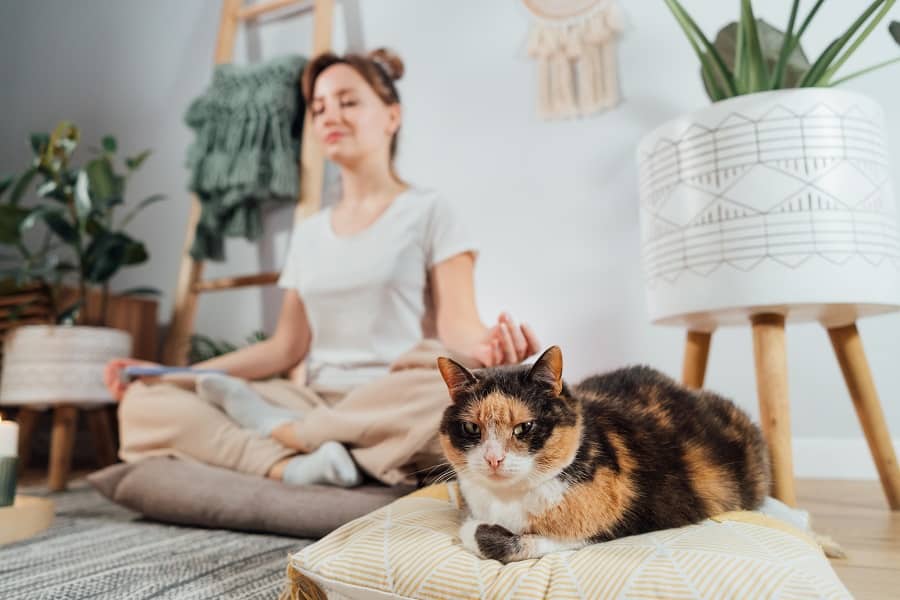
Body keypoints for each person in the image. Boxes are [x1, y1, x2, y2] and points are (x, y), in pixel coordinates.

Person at [105, 48, 541, 488]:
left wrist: (490, 349)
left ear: (392, 116)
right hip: (313, 400)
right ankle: (296, 464)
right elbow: (284, 347)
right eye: (319, 108)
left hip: (393, 398)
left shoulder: (429, 211)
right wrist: (171, 375)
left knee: (444, 383)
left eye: (348, 102)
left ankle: (292, 438)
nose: (331, 115)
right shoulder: (309, 233)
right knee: (145, 403)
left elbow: (458, 326)